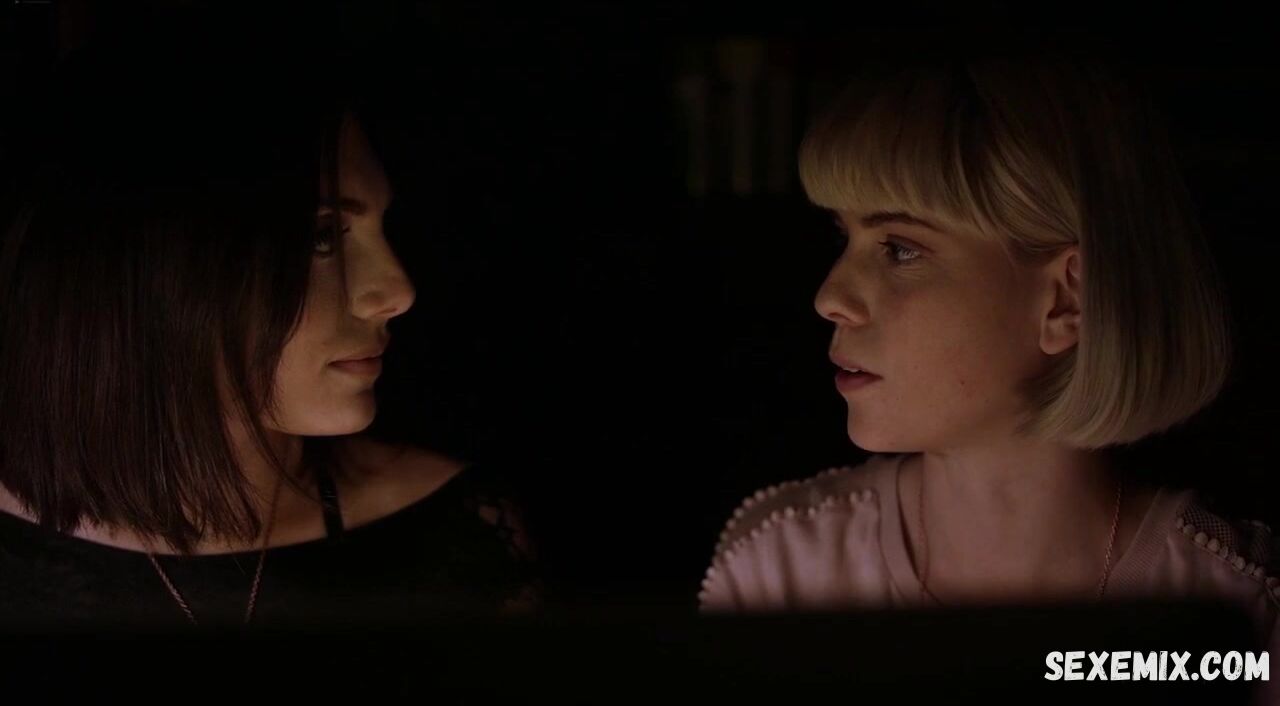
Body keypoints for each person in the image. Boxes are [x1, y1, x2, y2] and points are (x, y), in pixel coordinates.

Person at [698, 50, 1277, 677]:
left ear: (1066, 299)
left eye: (900, 248)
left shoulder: (1232, 607)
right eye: (844, 238)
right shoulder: (779, 575)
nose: (830, 297)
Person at [0, 25, 535, 628]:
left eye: (381, 229)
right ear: (153, 267)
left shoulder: (453, 535)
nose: (397, 291)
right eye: (323, 237)